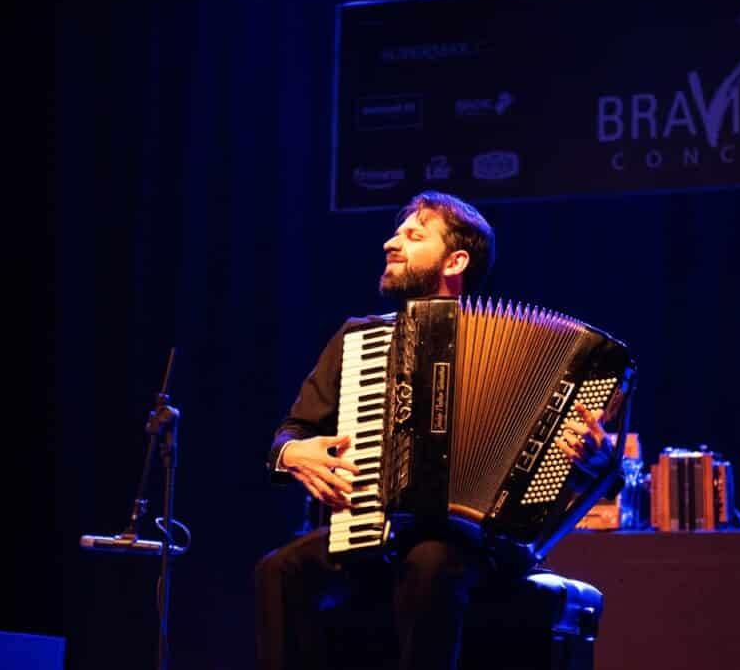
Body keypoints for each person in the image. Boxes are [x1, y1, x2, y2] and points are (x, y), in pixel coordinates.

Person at [254, 191, 618, 670]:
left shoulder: (536, 351)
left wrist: (598, 461)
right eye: (396, 232)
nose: (390, 242)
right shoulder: (360, 338)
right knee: (279, 570)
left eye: (413, 235)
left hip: (482, 543)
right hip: (375, 529)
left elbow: (600, 476)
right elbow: (292, 430)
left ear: (456, 260)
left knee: (431, 560)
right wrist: (293, 454)